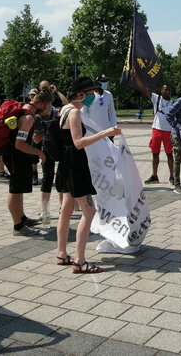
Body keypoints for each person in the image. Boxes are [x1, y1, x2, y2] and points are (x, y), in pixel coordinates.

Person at [55, 77, 121, 273]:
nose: (94, 96)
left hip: (65, 165)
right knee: (89, 211)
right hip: (75, 166)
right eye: (91, 93)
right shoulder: (74, 112)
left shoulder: (64, 109)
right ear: (80, 94)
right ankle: (80, 260)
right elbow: (78, 142)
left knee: (66, 210)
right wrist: (105, 132)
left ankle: (61, 253)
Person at [3, 87, 53, 237]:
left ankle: (22, 218)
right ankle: (18, 226)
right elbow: (19, 143)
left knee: (19, 189)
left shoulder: (24, 108)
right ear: (43, 104)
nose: (48, 109)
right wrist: (38, 152)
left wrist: (33, 139)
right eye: (48, 106)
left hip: (16, 153)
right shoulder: (29, 117)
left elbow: (20, 136)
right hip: (15, 154)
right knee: (15, 189)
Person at [130, 67, 175, 185]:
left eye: (169, 90)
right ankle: (154, 176)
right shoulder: (156, 98)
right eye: (165, 90)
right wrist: (136, 77)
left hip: (168, 132)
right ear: (161, 90)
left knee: (170, 154)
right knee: (155, 154)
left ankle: (172, 175)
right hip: (156, 130)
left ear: (171, 92)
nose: (167, 92)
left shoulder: (173, 104)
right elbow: (143, 89)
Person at [82, 74, 117, 139]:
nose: (106, 83)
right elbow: (83, 113)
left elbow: (112, 112)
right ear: (97, 83)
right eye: (103, 82)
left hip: (107, 130)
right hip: (93, 132)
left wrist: (114, 126)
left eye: (106, 82)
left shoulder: (108, 95)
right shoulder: (89, 96)